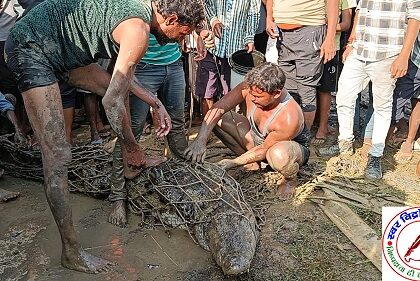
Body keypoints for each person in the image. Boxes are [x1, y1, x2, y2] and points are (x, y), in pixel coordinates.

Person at [5, 0, 206, 273]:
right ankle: (71, 252)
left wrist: (154, 102)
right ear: (171, 20)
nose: (183, 40)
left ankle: (127, 160)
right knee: (58, 156)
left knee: (115, 95)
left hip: (64, 50)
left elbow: (118, 80)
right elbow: (112, 101)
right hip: (32, 48)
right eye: (184, 33)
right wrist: (132, 148)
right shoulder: (138, 30)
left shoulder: (141, 17)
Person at [184, 63, 310, 199]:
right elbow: (218, 108)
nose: (253, 98)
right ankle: (251, 163)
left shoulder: (289, 117)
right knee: (217, 118)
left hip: (286, 149)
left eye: (258, 97)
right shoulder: (250, 88)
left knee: (278, 155)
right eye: (251, 94)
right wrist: (200, 140)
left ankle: (290, 180)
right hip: (258, 139)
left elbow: (265, 149)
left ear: (276, 93)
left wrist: (232, 163)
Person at [333, 0, 420, 180]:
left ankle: (375, 156)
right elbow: (360, 11)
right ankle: (345, 145)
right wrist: (351, 43)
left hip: (388, 54)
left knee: (382, 107)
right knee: (343, 97)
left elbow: (415, 18)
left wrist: (404, 56)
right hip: (359, 51)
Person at [266, 0, 339, 130]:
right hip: (282, 33)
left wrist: (330, 37)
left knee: (306, 88)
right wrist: (269, 17)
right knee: (287, 87)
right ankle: (292, 134)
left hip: (310, 29)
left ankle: (303, 138)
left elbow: (333, 2)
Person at [195, 0, 261, 119]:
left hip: (236, 47)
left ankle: (232, 131)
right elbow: (206, 4)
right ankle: (208, 130)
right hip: (212, 45)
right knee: (207, 91)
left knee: (234, 92)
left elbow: (253, 13)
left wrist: (249, 38)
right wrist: (213, 20)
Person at [312, 0, 355, 145]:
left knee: (325, 88)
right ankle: (312, 122)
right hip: (308, 43)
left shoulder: (346, 1)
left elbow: (346, 24)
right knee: (308, 86)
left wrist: (327, 27)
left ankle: (323, 127)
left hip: (332, 46)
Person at [393, 35, 420, 162]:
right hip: (415, 59)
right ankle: (402, 127)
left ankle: (409, 140)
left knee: (418, 101)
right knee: (396, 100)